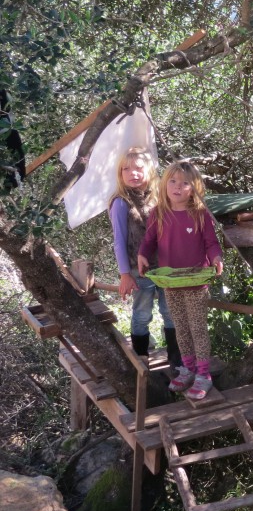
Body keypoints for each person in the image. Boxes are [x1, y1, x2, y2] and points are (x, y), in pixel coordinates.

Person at [137, 160, 224, 399]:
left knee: (197, 327)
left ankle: (203, 374)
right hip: (170, 282)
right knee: (180, 328)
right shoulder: (158, 213)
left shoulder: (200, 214)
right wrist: (143, 255)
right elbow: (149, 241)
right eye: (173, 181)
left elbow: (211, 242)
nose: (177, 187)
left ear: (195, 188)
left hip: (196, 281)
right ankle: (188, 369)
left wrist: (216, 258)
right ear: (164, 184)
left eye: (185, 183)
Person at [108, 146, 181, 367]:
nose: (133, 173)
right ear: (120, 174)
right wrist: (124, 274)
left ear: (149, 170)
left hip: (166, 268)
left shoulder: (159, 197)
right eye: (126, 169)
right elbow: (119, 241)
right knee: (142, 314)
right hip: (138, 270)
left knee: (170, 312)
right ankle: (141, 359)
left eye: (138, 168)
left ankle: (176, 359)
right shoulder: (120, 202)